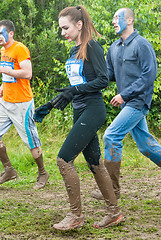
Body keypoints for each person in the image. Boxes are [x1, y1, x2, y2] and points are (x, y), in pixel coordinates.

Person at [34, 5, 125, 230]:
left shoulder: (92, 46)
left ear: (79, 25)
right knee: (95, 163)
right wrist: (55, 102)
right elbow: (78, 84)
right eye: (60, 28)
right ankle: (114, 213)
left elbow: (103, 80)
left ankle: (76, 215)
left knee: (63, 159)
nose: (62, 32)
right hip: (79, 109)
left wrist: (73, 91)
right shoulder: (72, 50)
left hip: (93, 109)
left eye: (65, 27)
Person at [91, 8, 161, 201]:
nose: (113, 21)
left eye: (117, 18)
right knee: (146, 147)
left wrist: (124, 95)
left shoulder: (142, 45)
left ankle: (112, 190)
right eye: (113, 18)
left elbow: (149, 76)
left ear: (129, 20)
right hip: (127, 104)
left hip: (138, 101)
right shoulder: (114, 47)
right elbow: (107, 76)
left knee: (111, 136)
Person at [0, 20, 49, 190]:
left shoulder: (19, 48)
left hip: (22, 104)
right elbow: (8, 75)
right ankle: (9, 170)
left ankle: (42, 172)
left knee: (31, 140)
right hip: (5, 101)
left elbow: (27, 73)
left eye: (1, 33)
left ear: (11, 33)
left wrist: (8, 71)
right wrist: (2, 86)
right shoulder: (3, 50)